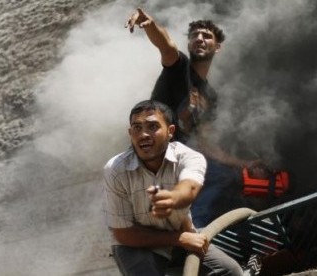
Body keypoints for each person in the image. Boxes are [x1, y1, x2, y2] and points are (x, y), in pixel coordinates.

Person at [125, 8, 262, 227]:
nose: (199, 38)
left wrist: (242, 164)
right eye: (194, 35)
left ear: (217, 47)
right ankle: (195, 234)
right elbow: (166, 46)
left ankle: (207, 233)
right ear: (189, 44)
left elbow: (205, 143)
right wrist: (149, 24)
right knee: (217, 177)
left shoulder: (210, 97)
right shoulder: (180, 69)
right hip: (156, 156)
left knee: (229, 176)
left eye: (206, 36)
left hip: (181, 160)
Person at [102, 100, 243, 275]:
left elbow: (190, 187)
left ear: (170, 132)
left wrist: (173, 198)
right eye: (137, 128)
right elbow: (123, 234)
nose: (143, 134)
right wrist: (179, 239)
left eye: (152, 126)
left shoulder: (189, 157)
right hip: (136, 244)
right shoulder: (116, 170)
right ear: (130, 133)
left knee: (231, 271)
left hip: (182, 234)